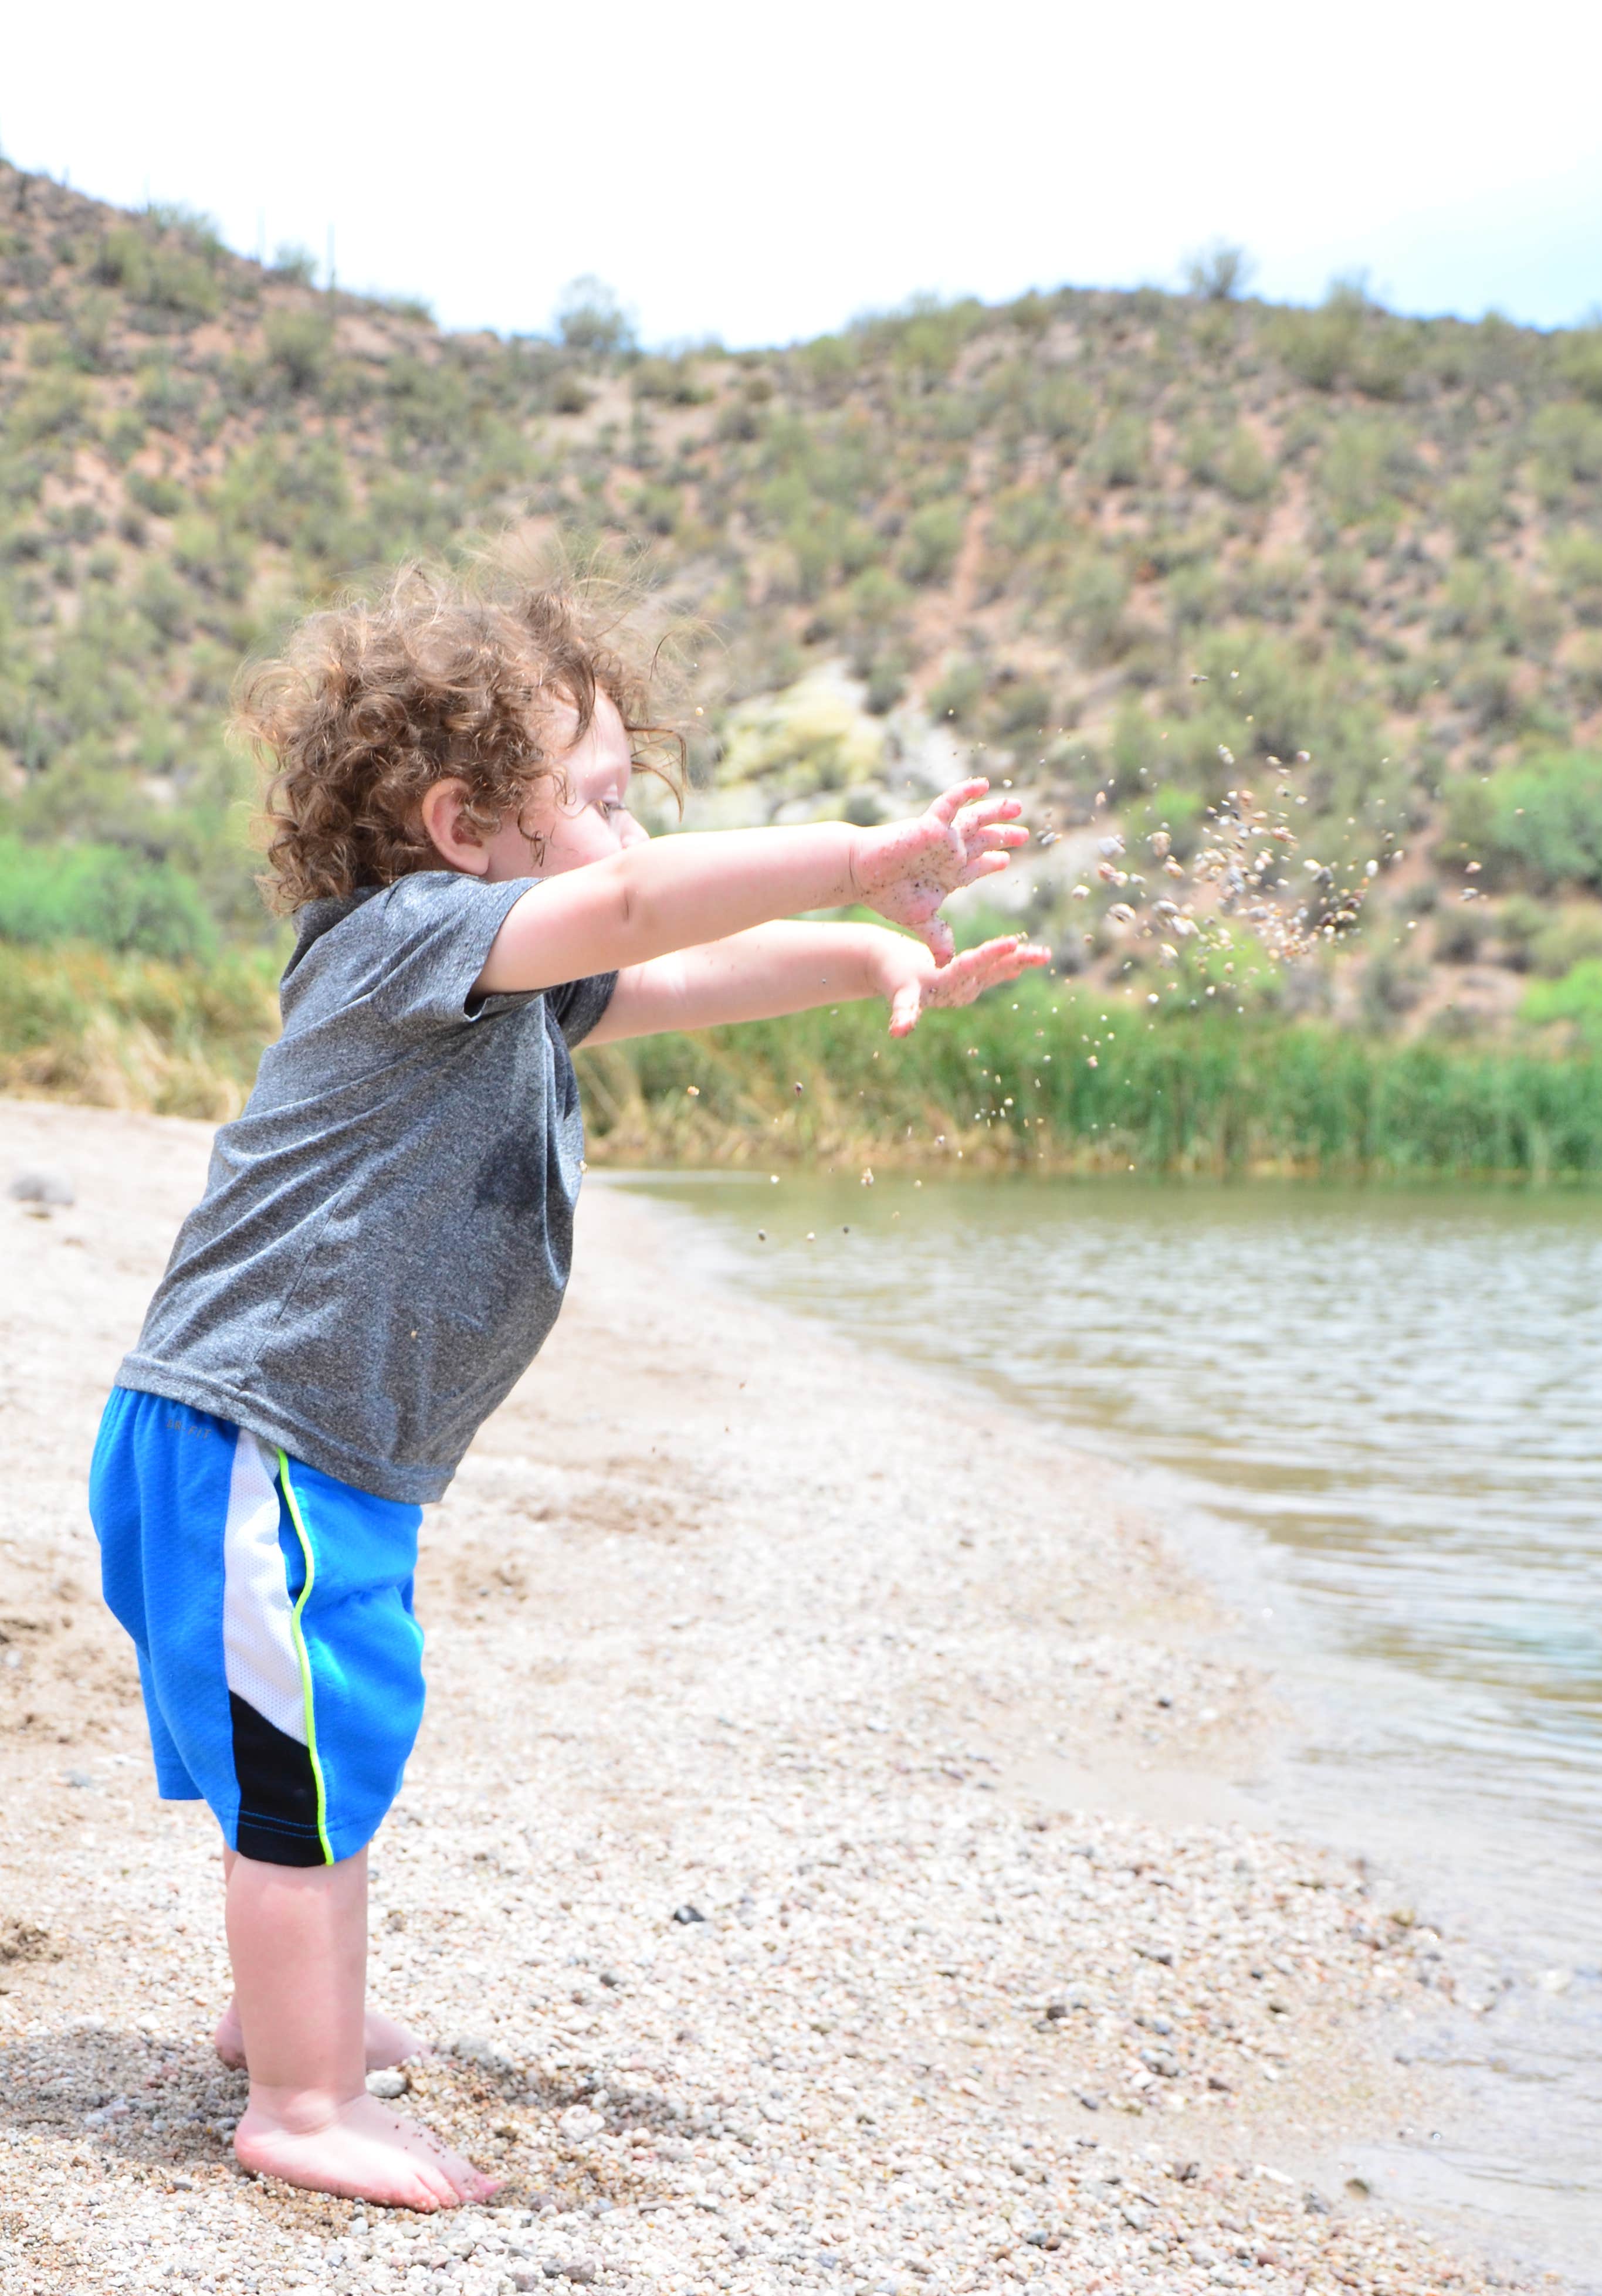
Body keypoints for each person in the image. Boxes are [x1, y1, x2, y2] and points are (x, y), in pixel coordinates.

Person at [89, 557, 1046, 2211]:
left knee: (323, 1749)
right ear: (467, 829)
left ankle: (283, 2017)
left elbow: (670, 974)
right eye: (603, 802)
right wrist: (863, 855)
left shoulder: (499, 980)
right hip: (261, 1432)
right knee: (310, 1760)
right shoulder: (404, 945)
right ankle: (302, 2103)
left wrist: (863, 959)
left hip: (324, 1449)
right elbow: (632, 917)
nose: (633, 841)